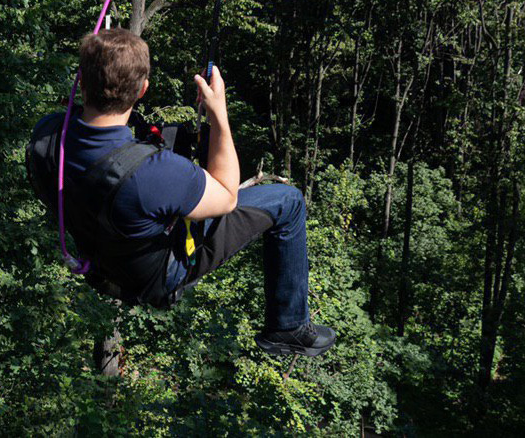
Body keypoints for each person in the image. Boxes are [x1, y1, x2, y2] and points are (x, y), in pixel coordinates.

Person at [28, 29, 336, 358]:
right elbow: (227, 197)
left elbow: (89, 141)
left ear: (81, 82)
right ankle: (287, 327)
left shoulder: (47, 135)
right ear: (143, 89)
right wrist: (219, 114)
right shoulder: (154, 173)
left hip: (104, 261)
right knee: (288, 202)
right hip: (160, 275)